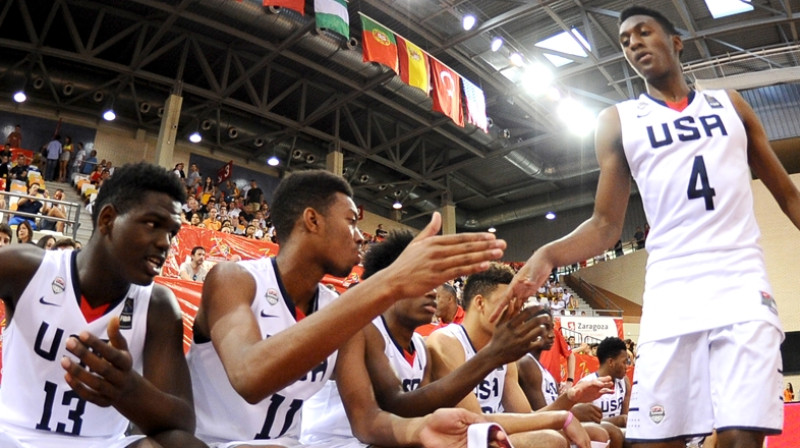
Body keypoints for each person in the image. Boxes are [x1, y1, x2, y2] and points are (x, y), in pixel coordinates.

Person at [503, 6, 800, 448]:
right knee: (654, 440)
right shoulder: (618, 121)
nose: (634, 43)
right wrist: (547, 253)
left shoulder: (730, 103)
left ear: (676, 42)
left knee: (741, 436)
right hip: (671, 290)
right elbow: (606, 225)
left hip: (741, 284)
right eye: (625, 41)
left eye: (644, 32)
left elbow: (789, 194)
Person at [186, 169, 506, 447]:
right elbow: (249, 378)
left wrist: (419, 429)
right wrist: (386, 283)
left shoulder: (338, 309)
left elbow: (366, 419)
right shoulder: (233, 279)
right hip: (210, 443)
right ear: (312, 220)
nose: (359, 238)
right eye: (352, 222)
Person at [302, 230, 601, 447]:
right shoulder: (368, 330)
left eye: (435, 281)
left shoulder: (420, 348)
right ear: (389, 282)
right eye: (424, 279)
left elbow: (414, 410)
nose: (434, 290)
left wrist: (565, 406)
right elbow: (393, 408)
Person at [0, 162, 205, 448]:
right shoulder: (24, 267)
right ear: (107, 219)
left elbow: (183, 424)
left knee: (182, 445)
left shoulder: (158, 305)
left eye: (172, 232)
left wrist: (128, 388)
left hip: (101, 443)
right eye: (152, 224)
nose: (165, 243)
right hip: (12, 437)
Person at [427, 263, 604, 448]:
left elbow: (526, 418)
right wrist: (561, 418)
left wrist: (570, 399)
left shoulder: (504, 356)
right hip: (463, 439)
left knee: (597, 433)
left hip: (494, 435)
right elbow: (474, 421)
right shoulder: (447, 341)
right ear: (480, 303)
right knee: (551, 441)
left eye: (515, 304)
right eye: (506, 303)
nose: (513, 312)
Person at [517, 307, 623, 448]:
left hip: (552, 421)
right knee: (600, 432)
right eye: (546, 328)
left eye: (552, 328)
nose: (552, 335)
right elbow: (541, 418)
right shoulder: (526, 363)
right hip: (541, 427)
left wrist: (576, 401)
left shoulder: (542, 369)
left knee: (609, 431)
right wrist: (574, 411)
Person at [577, 337, 630, 430]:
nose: (627, 366)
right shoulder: (586, 384)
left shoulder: (624, 382)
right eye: (624, 362)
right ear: (611, 362)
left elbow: (625, 419)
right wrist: (616, 421)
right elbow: (582, 426)